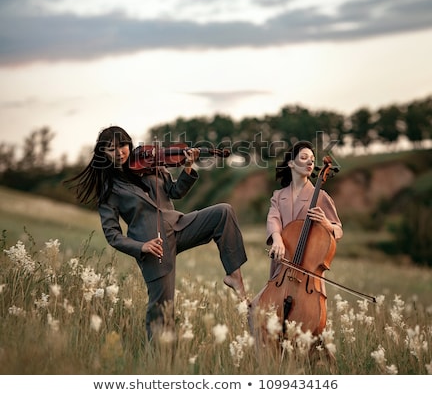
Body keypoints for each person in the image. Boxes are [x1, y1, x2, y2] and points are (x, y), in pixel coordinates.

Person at [65, 126, 247, 342]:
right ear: (103, 153)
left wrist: (188, 166)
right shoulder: (109, 190)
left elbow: (175, 191)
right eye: (111, 149)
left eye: (122, 145)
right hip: (153, 246)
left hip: (179, 225)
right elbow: (113, 235)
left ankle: (233, 274)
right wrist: (140, 247)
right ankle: (161, 361)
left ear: (129, 144)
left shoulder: (150, 164)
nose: (120, 152)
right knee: (161, 310)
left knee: (224, 212)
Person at [249, 140, 343, 336]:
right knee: (255, 311)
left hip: (308, 277)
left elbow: (338, 230)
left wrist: (326, 224)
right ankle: (265, 363)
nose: (310, 162)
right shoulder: (278, 195)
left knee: (306, 333)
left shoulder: (321, 196)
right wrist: (277, 239)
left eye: (312, 160)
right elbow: (273, 219)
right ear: (291, 163)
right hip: (282, 270)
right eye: (304, 158)